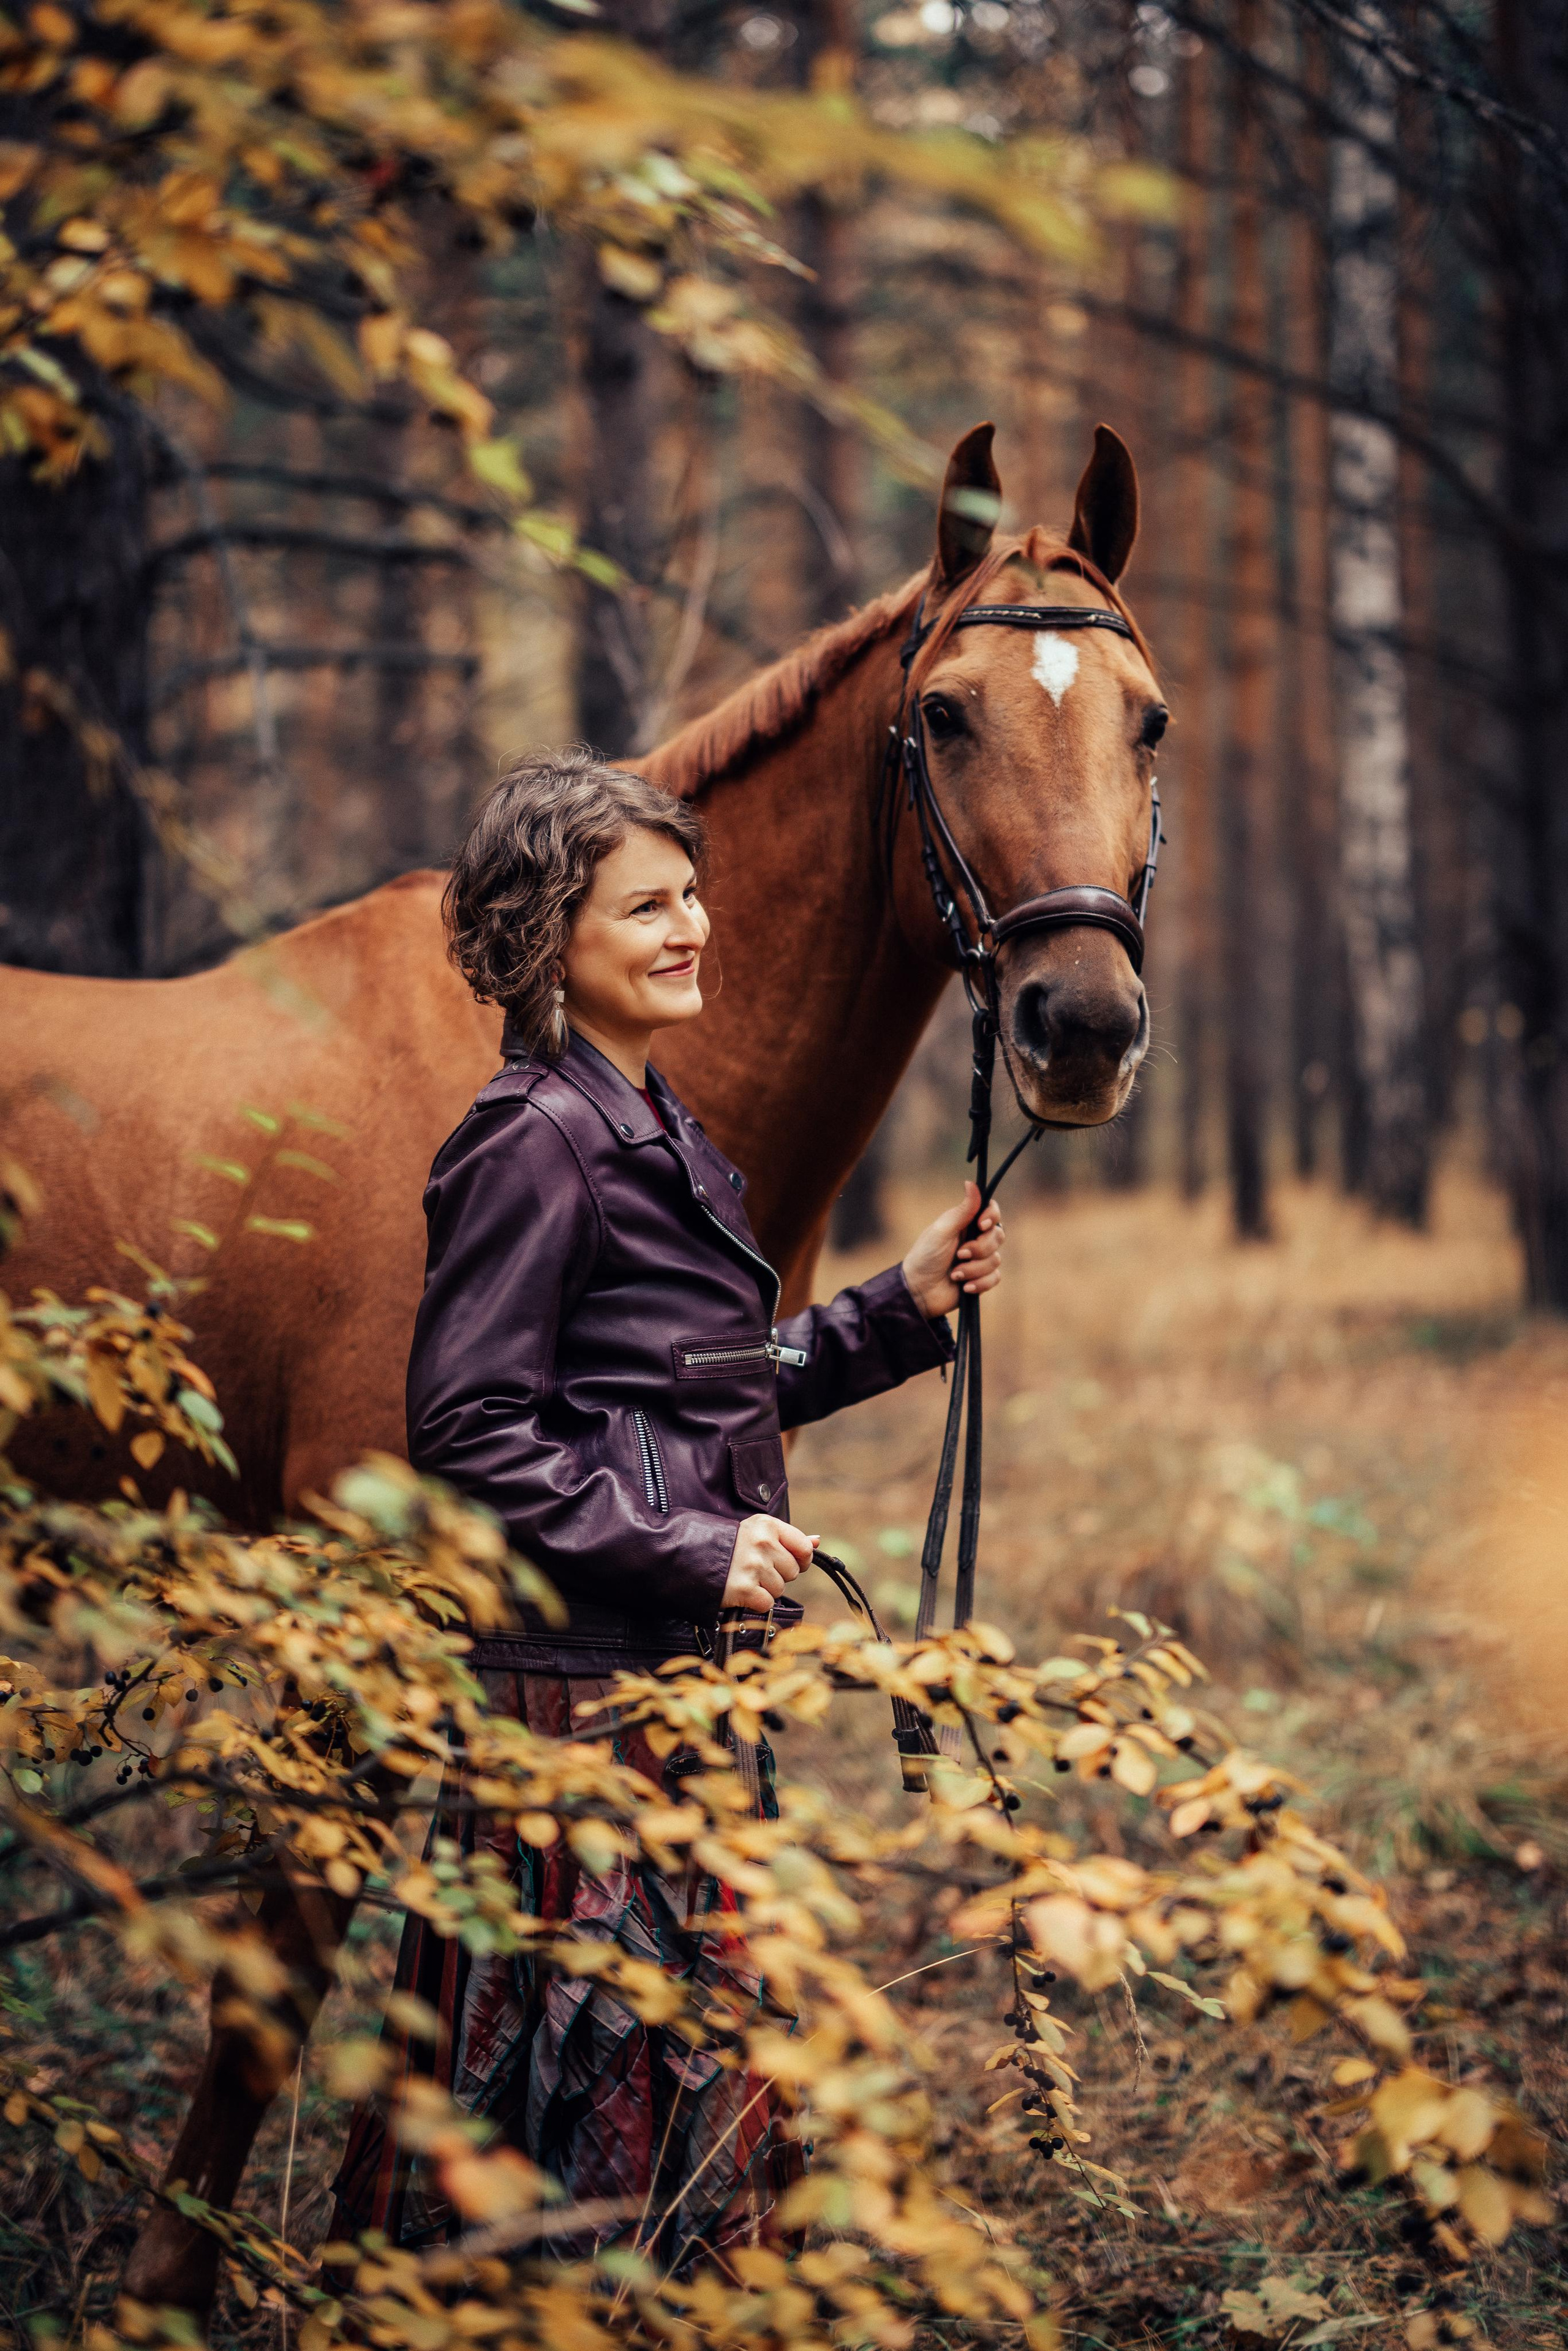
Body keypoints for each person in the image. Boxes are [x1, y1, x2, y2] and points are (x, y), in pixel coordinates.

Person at [333, 746, 1004, 2260]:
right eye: (645, 906)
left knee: (669, 2111)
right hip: (582, 1723)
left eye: (690, 893)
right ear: (541, 936)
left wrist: (892, 1307)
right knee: (570, 2125)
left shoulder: (648, 1123)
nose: (692, 923)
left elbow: (693, 1385)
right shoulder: (534, 1138)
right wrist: (698, 1546)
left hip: (670, 1695)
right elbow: (469, 1431)